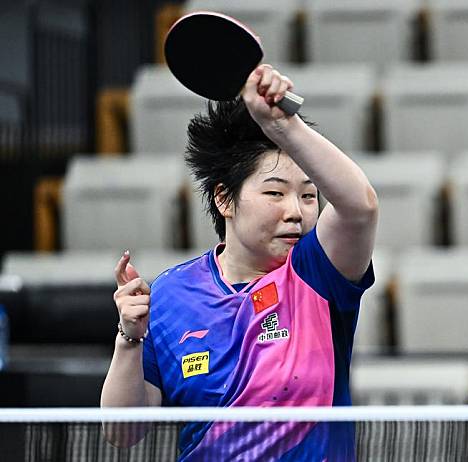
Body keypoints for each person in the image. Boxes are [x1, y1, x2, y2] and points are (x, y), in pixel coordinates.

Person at [101, 64, 378, 461]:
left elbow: (360, 208)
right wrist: (129, 338)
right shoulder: (170, 295)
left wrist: (285, 127)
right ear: (224, 199)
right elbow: (122, 434)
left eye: (308, 196)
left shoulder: (318, 275)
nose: (296, 212)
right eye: (275, 193)